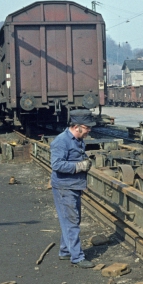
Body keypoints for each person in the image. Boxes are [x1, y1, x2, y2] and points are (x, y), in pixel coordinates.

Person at [50, 109, 96, 268]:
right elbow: (56, 164)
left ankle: (65, 250)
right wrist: (79, 166)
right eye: (87, 127)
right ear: (77, 127)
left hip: (73, 185)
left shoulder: (78, 140)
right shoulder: (61, 141)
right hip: (64, 187)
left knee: (70, 219)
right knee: (72, 221)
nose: (89, 130)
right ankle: (77, 257)